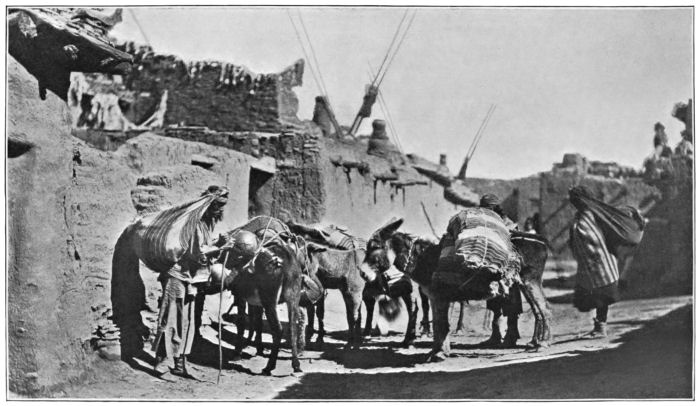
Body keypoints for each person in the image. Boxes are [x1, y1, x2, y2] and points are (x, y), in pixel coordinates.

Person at [152, 186, 229, 379]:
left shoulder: (206, 225)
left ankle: (179, 363)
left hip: (190, 278)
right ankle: (161, 365)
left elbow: (203, 250)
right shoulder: (194, 223)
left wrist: (218, 245)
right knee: (170, 320)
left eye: (222, 206)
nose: (220, 210)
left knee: (187, 322)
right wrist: (221, 247)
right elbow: (197, 253)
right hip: (176, 275)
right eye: (218, 205)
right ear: (209, 204)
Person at [568, 186, 623, 338]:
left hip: (601, 262)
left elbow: (593, 236)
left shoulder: (591, 215)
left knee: (601, 295)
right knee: (597, 295)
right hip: (594, 264)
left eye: (573, 199)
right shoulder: (584, 215)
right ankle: (599, 326)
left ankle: (600, 328)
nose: (571, 202)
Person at [478, 193, 522, 346]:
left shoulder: (508, 224)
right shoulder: (488, 222)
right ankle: (496, 335)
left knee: (511, 303)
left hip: (509, 268)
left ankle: (511, 335)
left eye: (487, 209)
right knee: (495, 302)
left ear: (494, 208)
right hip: (494, 267)